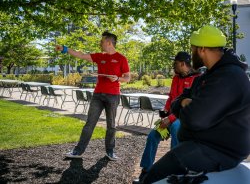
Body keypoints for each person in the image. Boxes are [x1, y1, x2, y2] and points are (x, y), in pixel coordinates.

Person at [140, 25, 250, 184]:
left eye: (193, 49)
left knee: (152, 179)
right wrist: (185, 102)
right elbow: (178, 101)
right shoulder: (208, 76)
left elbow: (194, 118)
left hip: (218, 151)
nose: (192, 55)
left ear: (202, 49)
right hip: (203, 145)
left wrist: (187, 105)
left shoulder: (229, 76)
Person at [55, 31, 130, 160]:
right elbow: (81, 55)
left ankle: (110, 152)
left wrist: (117, 78)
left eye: (102, 41)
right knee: (89, 123)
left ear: (109, 43)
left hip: (113, 96)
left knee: (111, 125)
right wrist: (65, 49)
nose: (100, 43)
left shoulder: (121, 58)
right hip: (98, 95)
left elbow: (127, 78)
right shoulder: (99, 56)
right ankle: (78, 151)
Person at [133, 51, 200, 183]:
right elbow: (171, 97)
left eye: (175, 63)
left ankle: (175, 170)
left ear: (182, 64)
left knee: (175, 127)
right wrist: (166, 111)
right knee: (152, 136)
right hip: (170, 117)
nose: (172, 65)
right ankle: (146, 170)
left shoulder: (196, 79)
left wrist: (171, 119)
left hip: (185, 119)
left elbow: (190, 106)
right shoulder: (176, 78)